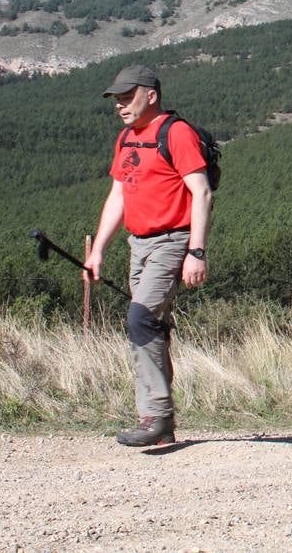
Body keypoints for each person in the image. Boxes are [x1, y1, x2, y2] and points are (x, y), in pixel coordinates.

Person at [85, 65, 212, 447]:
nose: (121, 106)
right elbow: (118, 196)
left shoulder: (176, 133)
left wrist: (196, 252)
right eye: (118, 100)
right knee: (150, 327)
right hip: (137, 245)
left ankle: (154, 416)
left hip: (172, 242)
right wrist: (97, 252)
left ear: (151, 95)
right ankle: (160, 422)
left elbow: (202, 193)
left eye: (128, 97)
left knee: (140, 318)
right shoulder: (127, 138)